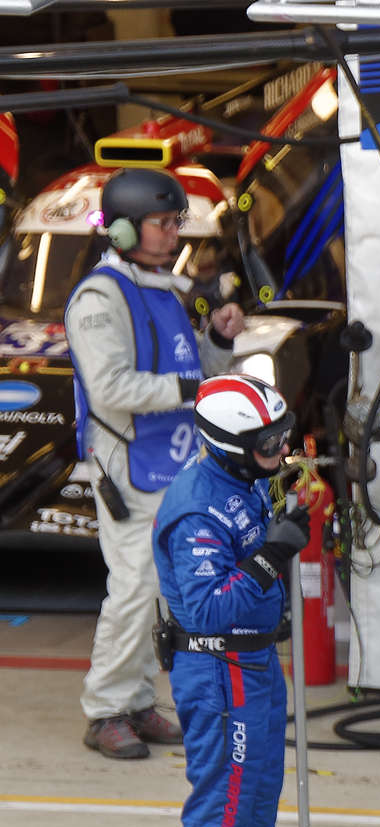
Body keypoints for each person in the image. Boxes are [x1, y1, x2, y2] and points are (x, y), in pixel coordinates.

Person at [71, 166, 242, 759]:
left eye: (176, 223)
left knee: (166, 588)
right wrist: (191, 388)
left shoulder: (168, 290)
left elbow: (200, 371)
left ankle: (139, 701)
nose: (174, 235)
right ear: (121, 230)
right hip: (127, 463)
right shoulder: (99, 297)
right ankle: (107, 709)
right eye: (162, 224)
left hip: (174, 461)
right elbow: (110, 386)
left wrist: (218, 340)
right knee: (136, 585)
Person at [158, 375, 305, 827]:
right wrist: (272, 556)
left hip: (258, 666)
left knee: (258, 798)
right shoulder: (197, 505)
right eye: (267, 444)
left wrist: (282, 492)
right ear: (226, 444)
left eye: (282, 438)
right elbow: (210, 608)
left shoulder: (242, 481)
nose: (280, 451)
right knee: (221, 808)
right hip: (219, 671)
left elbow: (254, 513)